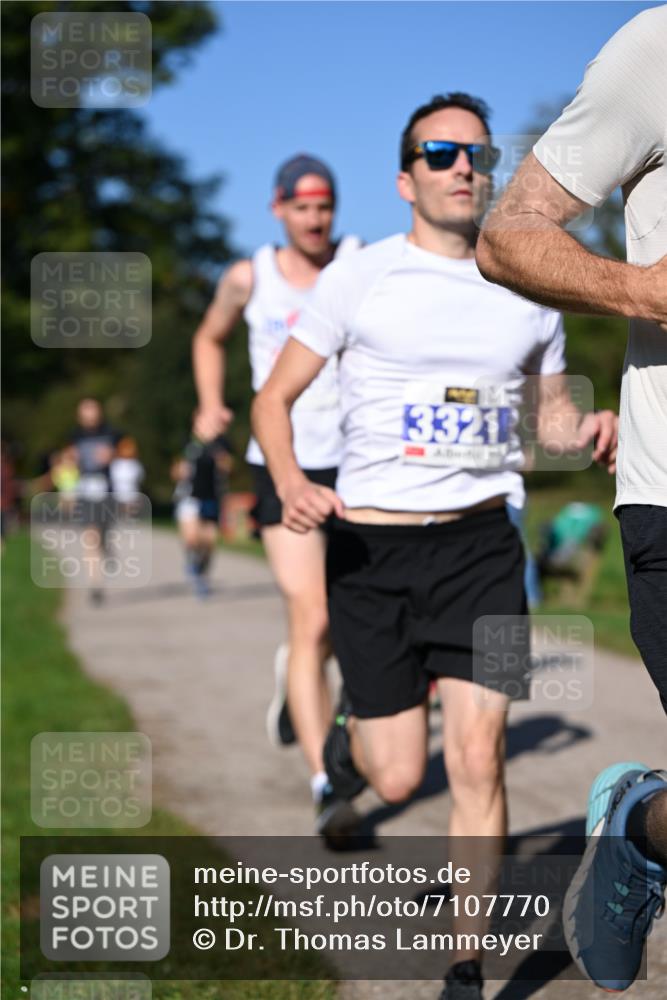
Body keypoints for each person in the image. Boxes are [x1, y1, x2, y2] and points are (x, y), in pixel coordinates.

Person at [252, 93, 616, 1000]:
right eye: (440, 151)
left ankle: (464, 966)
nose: (463, 165)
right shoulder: (358, 277)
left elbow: (551, 416)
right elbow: (272, 400)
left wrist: (586, 427)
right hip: (372, 561)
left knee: (478, 758)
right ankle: (347, 738)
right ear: (404, 177)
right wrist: (293, 482)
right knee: (397, 770)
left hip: (485, 551)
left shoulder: (530, 289)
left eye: (476, 152)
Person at [475, 6, 667, 991]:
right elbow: (508, 237)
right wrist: (642, 290)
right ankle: (637, 824)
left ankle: (641, 818)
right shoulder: (655, 50)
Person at [192, 154, 362, 837]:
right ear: (278, 210)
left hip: (358, 465)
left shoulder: (360, 264)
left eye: (324, 206)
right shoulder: (247, 277)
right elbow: (208, 337)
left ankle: (302, 677)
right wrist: (210, 403)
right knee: (313, 613)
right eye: (302, 208)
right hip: (280, 463)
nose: (315, 219)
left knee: (357, 619)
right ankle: (328, 783)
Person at [69, 398, 122, 605]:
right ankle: (95, 584)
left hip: (106, 490)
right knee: (91, 536)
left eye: (92, 410)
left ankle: (108, 548)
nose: (89, 415)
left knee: (104, 534)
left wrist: (113, 455)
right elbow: (70, 461)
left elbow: (127, 452)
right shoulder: (75, 436)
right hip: (85, 489)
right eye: (85, 411)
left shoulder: (111, 433)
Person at [171, 435, 231, 598]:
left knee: (209, 542)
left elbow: (228, 467)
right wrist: (180, 472)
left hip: (211, 497)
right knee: (191, 538)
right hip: (189, 496)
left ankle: (201, 574)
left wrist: (222, 462)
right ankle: (193, 564)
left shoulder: (221, 443)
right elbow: (175, 471)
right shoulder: (187, 444)